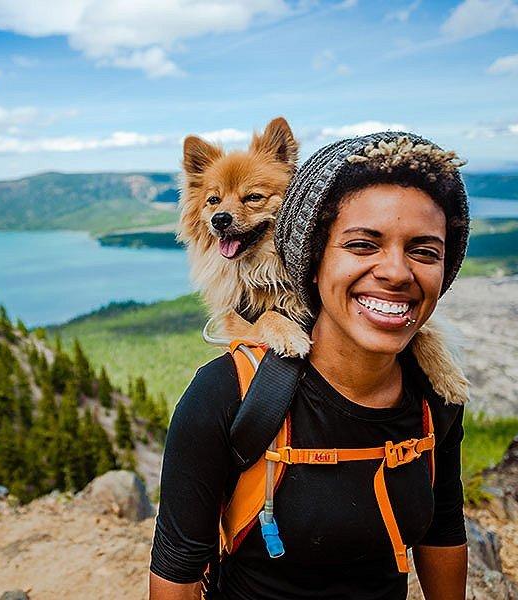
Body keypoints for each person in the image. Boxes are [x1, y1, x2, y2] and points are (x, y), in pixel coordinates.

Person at [149, 132, 472, 600]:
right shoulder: (225, 396)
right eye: (363, 244)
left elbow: (442, 526)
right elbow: (177, 567)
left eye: (424, 251)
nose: (397, 272)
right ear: (313, 254)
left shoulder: (433, 397)